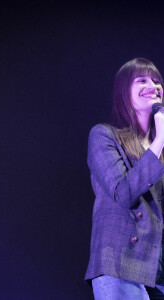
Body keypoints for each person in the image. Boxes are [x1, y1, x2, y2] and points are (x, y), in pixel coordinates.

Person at [85, 57, 164, 299]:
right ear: (123, 92)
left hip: (158, 267)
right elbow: (123, 193)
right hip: (121, 262)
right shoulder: (104, 135)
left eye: (157, 80)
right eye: (141, 80)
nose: (153, 85)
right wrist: (160, 139)